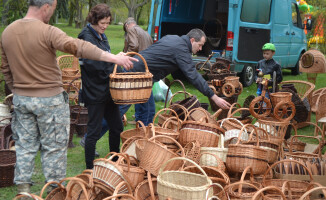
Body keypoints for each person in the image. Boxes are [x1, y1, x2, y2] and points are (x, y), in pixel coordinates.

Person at [0, 0, 136, 195]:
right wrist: (113, 57)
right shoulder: (47, 31)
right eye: (53, 9)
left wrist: (18, 90)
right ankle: (54, 192)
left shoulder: (7, 32)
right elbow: (77, 46)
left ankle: (23, 191)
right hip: (50, 100)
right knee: (53, 148)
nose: (51, 13)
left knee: (25, 147)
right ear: (46, 6)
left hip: (22, 99)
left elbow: (5, 69)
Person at [120, 28, 231, 123]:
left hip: (141, 75)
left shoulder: (172, 38)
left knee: (148, 112)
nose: (200, 49)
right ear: (192, 40)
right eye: (200, 45)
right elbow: (193, 76)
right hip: (136, 75)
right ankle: (103, 126)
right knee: (119, 111)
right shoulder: (181, 49)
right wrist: (213, 97)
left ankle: (142, 141)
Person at [77, 4, 125, 169]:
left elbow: (106, 57)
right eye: (102, 23)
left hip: (108, 90)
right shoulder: (86, 36)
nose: (105, 26)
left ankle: (114, 161)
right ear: (94, 20)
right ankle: (89, 168)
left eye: (107, 23)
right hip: (95, 92)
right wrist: (114, 62)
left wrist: (114, 60)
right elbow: (93, 64)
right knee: (94, 131)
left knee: (117, 126)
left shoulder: (101, 36)